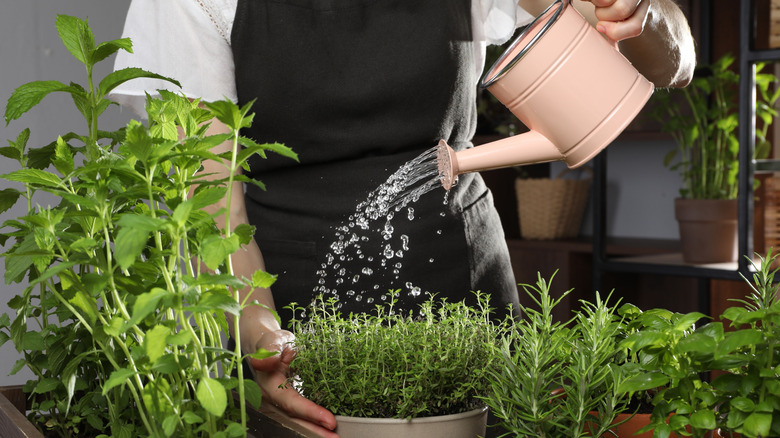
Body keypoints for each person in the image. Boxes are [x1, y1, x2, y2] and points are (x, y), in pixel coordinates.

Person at [111, 0, 695, 436]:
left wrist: (641, 15)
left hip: (476, 317)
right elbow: (214, 212)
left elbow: (671, 64)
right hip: (298, 332)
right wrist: (262, 339)